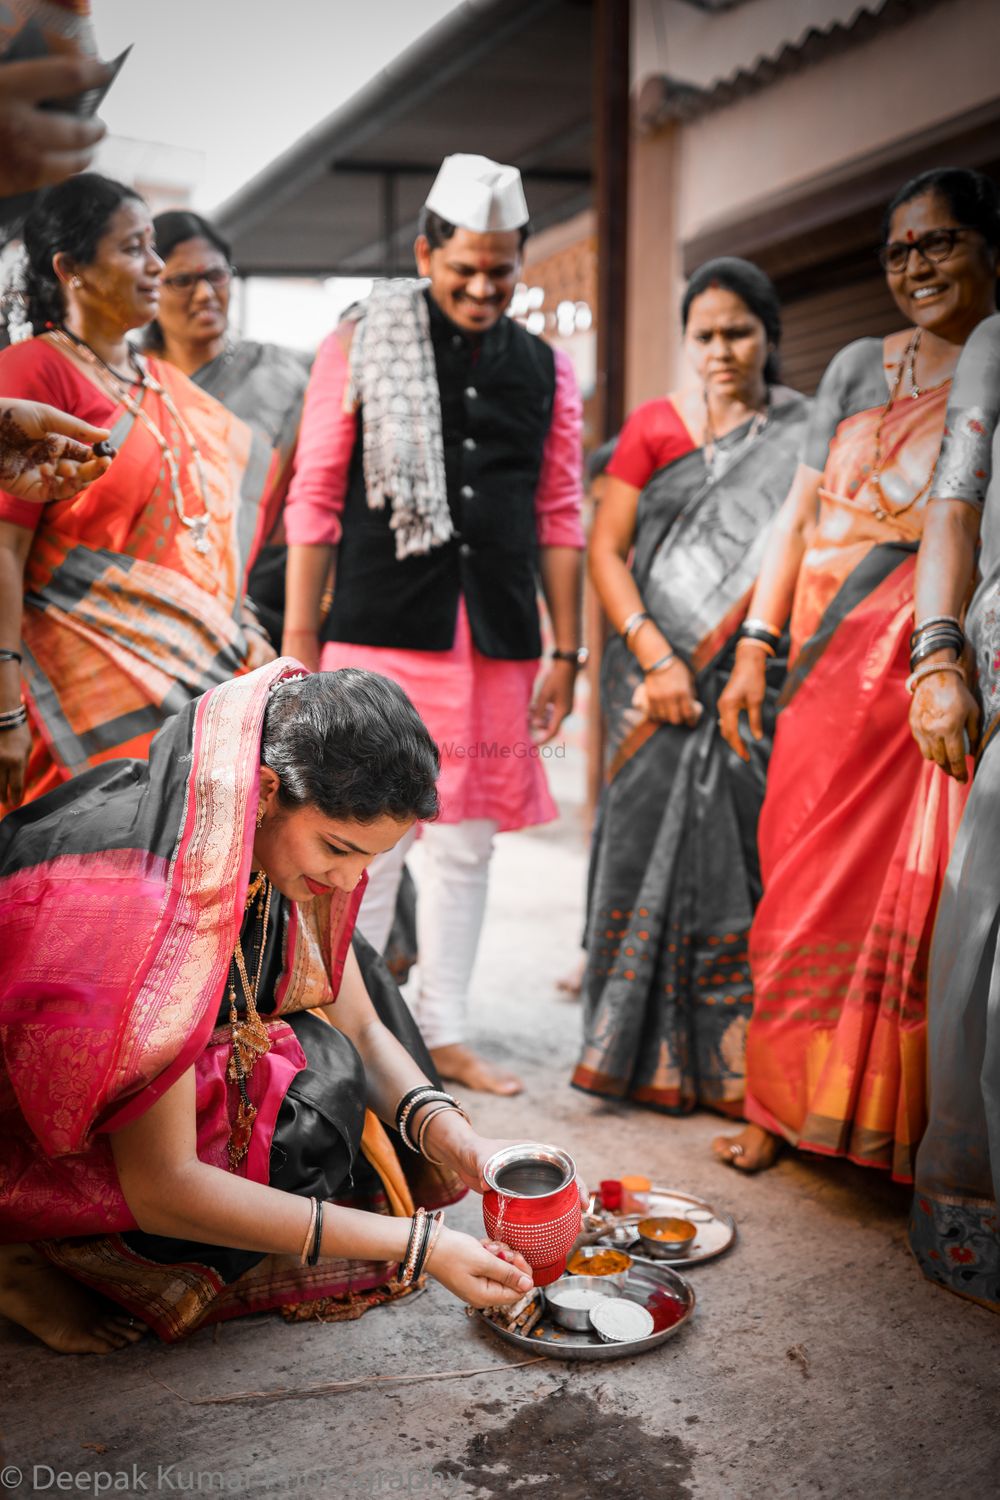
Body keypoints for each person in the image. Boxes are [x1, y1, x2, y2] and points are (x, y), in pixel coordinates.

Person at [0, 662, 545, 1355]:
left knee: (354, 988)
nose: (348, 879)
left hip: (151, 1046)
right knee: (299, 1102)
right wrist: (420, 1247)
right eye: (338, 848)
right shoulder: (148, 903)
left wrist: (456, 1140)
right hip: (33, 1127)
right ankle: (29, 1252)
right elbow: (164, 1183)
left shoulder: (242, 823)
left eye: (369, 858)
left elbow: (363, 1027)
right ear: (261, 793)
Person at [714, 168, 1000, 1176]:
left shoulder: (993, 370)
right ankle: (773, 1102)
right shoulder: (850, 366)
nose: (915, 265)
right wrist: (756, 644)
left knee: (900, 901)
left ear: (987, 247)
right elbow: (795, 518)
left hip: (919, 674)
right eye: (898, 249)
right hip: (822, 668)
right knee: (790, 886)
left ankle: (875, 1122)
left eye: (939, 242)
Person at [282, 153, 585, 1095]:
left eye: (503, 269)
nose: (485, 287)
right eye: (465, 269)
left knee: (465, 846)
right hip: (380, 634)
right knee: (362, 837)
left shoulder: (545, 368)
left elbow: (560, 510)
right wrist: (299, 644)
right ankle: (348, 1036)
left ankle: (442, 1034)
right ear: (426, 253)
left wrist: (567, 651)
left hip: (495, 639)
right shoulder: (360, 343)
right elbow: (316, 495)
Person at [571, 259, 810, 1113]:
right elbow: (605, 551)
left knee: (745, 860)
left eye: (738, 332)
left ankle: (733, 1067)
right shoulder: (653, 426)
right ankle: (632, 1056)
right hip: (652, 682)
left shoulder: (805, 429)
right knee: (638, 854)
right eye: (704, 335)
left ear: (769, 336)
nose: (721, 349)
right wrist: (655, 655)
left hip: (751, 675)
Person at [0, 172, 276, 812]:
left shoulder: (159, 382)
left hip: (191, 695)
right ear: (71, 268)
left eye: (153, 245)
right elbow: (5, 553)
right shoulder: (33, 371)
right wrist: (5, 710)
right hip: (66, 710)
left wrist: (243, 622)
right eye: (132, 249)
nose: (156, 265)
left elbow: (200, 533)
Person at [906, 312, 1000, 1310]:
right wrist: (937, 655)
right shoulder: (997, 344)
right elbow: (955, 499)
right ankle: (974, 1214)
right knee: (990, 968)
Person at [145, 210, 312, 645]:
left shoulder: (281, 374)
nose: (205, 294)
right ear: (148, 283)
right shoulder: (127, 379)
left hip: (264, 597)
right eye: (182, 280)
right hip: (153, 600)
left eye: (216, 276)